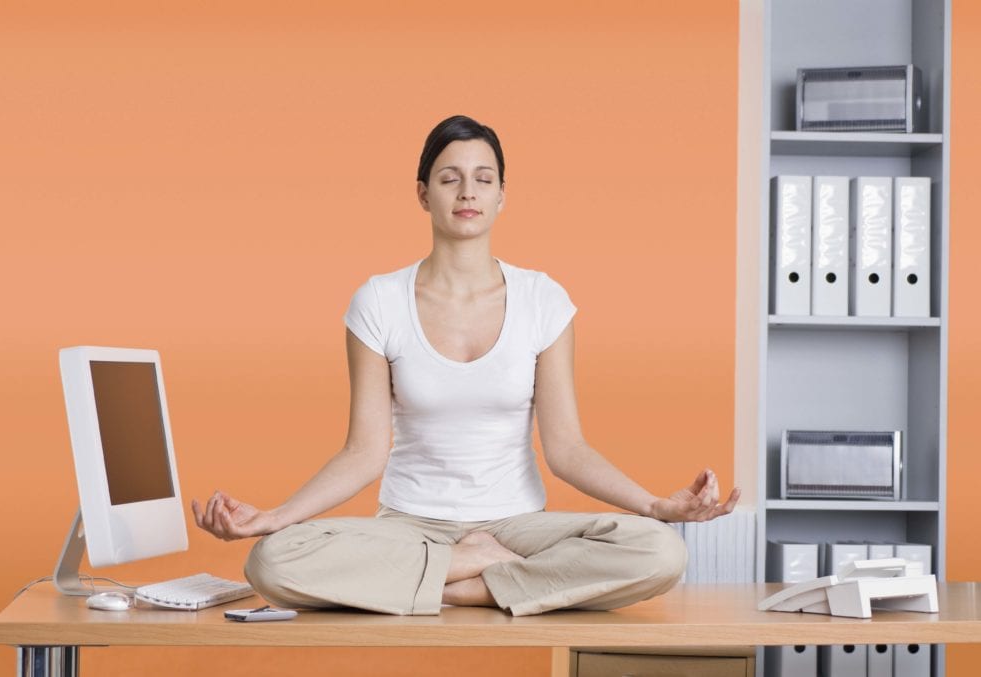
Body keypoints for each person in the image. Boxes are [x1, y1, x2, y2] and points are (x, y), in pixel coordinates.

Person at [192, 114, 740, 616]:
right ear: (423, 194)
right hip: (410, 526)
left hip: (516, 528)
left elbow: (567, 449)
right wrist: (274, 517)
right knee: (274, 561)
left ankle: (454, 587)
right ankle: (481, 574)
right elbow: (364, 452)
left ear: (503, 195)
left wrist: (655, 505)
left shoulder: (543, 299)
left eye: (484, 177)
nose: (468, 191)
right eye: (450, 177)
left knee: (660, 550)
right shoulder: (379, 301)